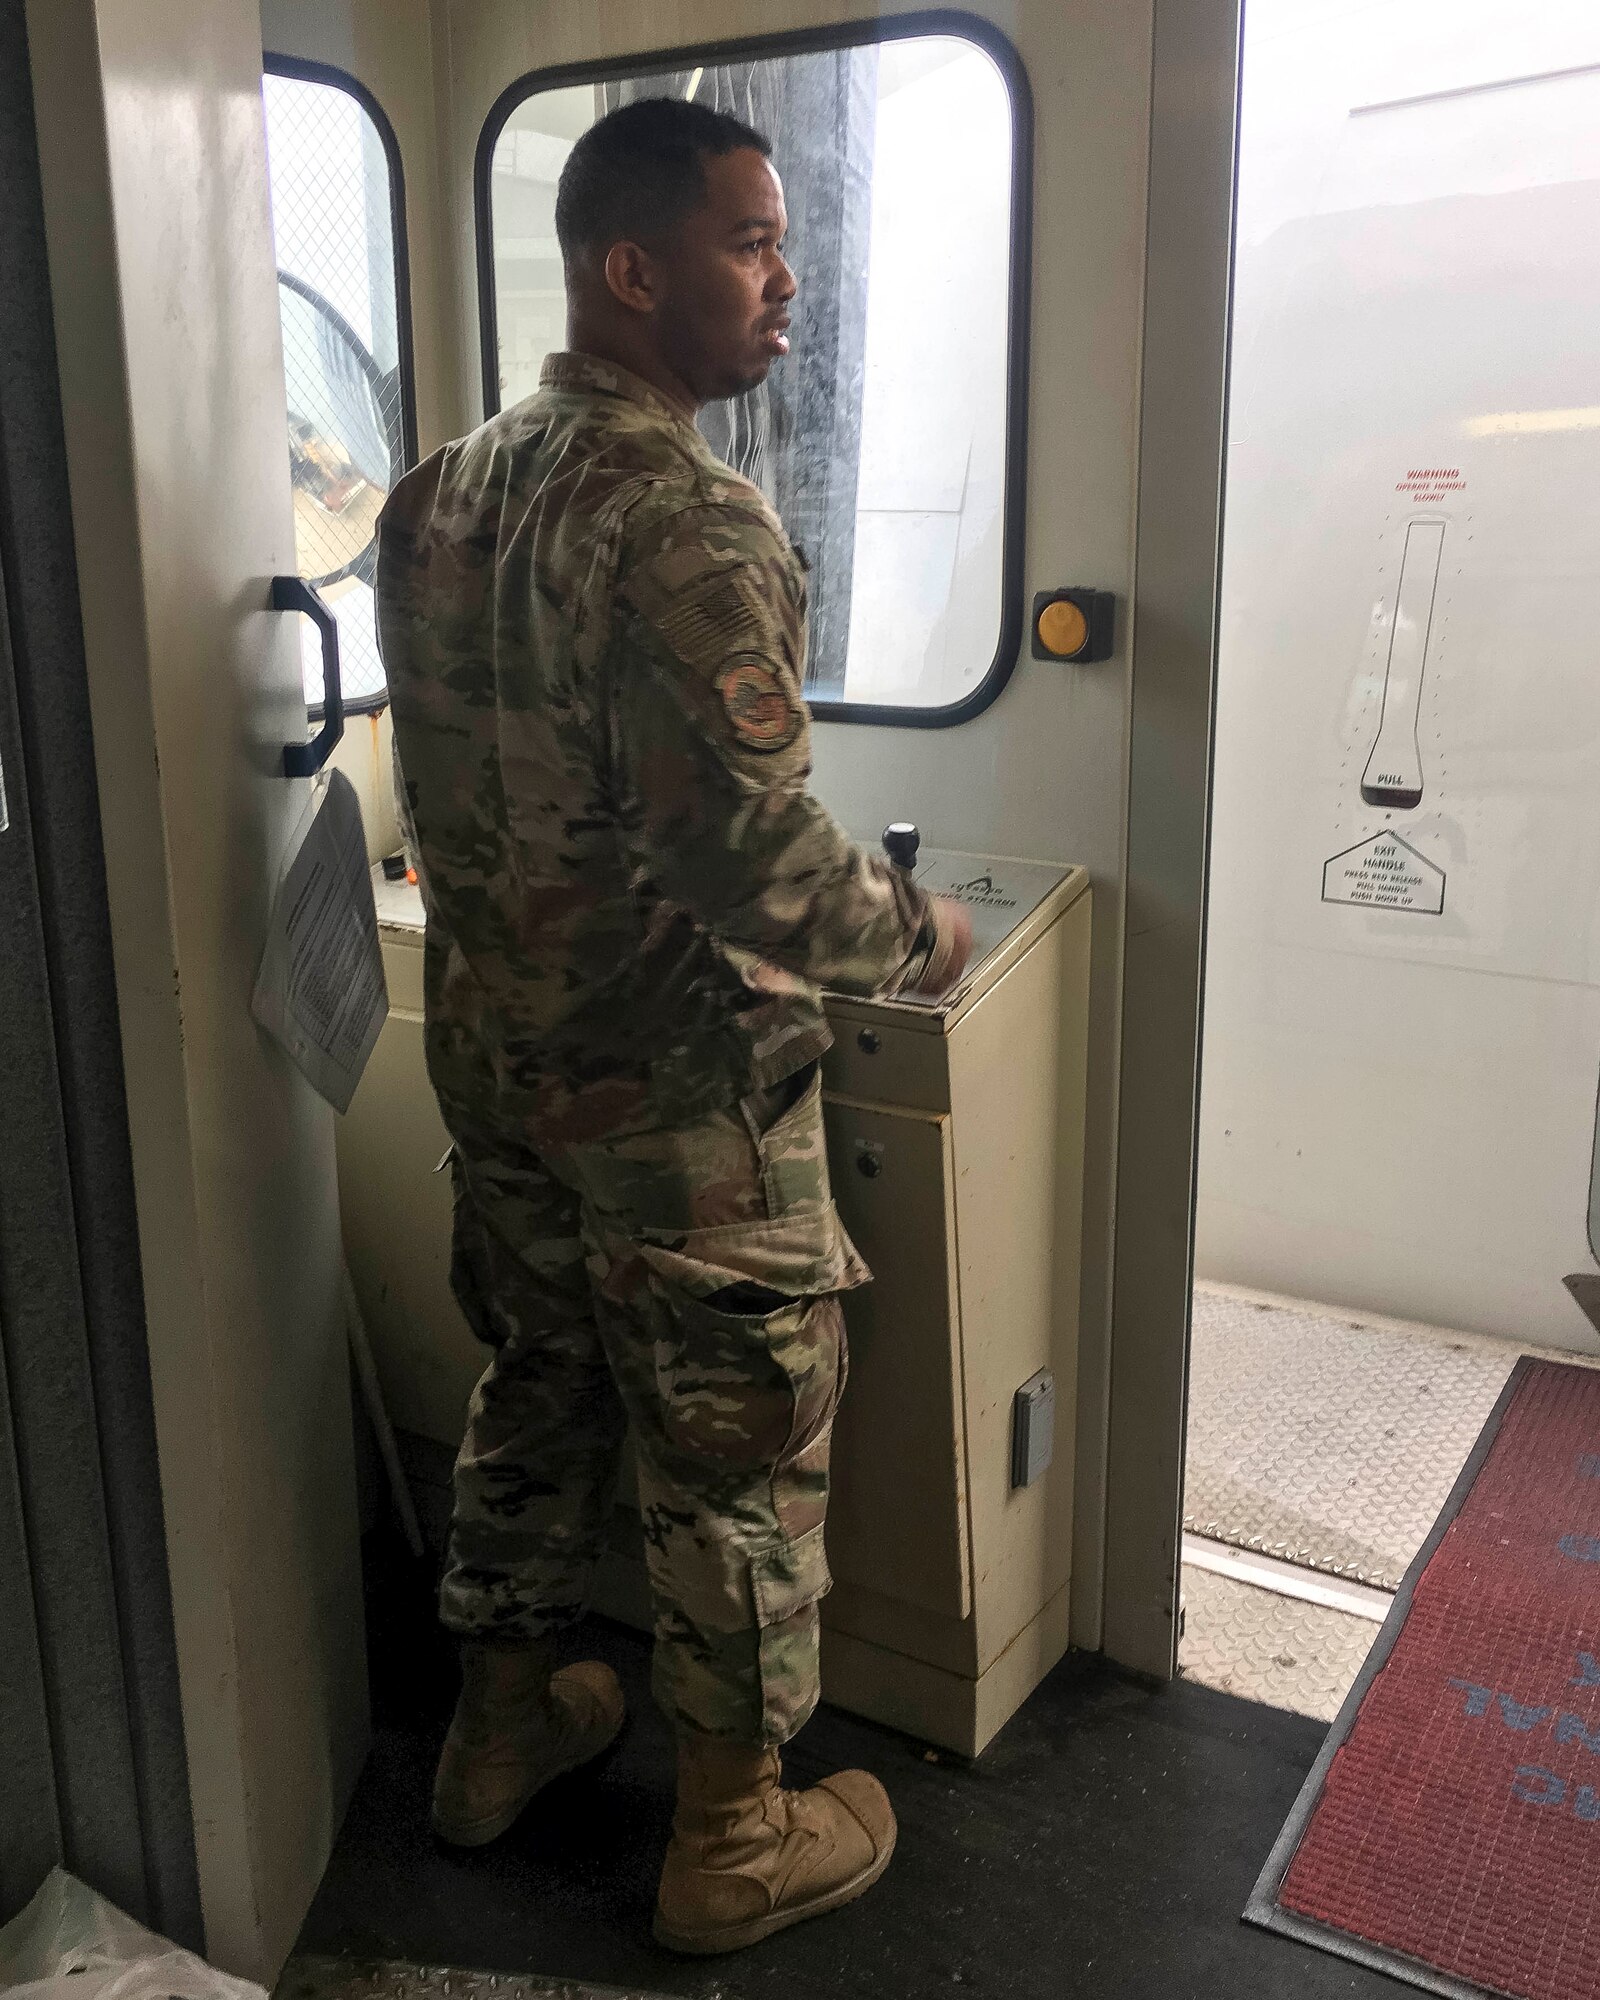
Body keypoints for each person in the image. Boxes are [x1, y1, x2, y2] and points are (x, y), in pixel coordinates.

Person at [375, 96, 972, 1956]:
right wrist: (920, 933)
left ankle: (498, 1736)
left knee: (536, 1392)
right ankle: (732, 1840)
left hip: (501, 1071)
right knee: (733, 1460)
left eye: (783, 239)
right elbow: (759, 869)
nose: (785, 278)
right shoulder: (691, 525)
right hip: (682, 1105)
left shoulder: (442, 488)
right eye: (749, 241)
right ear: (633, 272)